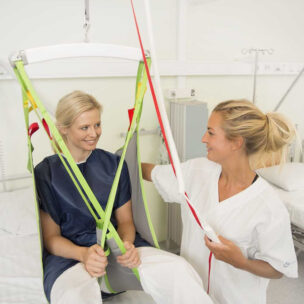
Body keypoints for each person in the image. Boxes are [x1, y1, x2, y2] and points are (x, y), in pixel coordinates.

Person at [34, 90, 213, 304]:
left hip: (116, 245)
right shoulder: (47, 173)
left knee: (179, 270)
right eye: (84, 127)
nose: (94, 133)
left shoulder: (114, 165)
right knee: (73, 297)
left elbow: (126, 221)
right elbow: (51, 239)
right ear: (64, 129)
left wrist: (127, 245)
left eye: (97, 125)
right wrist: (83, 255)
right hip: (71, 256)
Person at [142, 99, 298, 304]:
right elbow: (152, 172)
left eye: (211, 132)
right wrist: (109, 162)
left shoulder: (269, 208)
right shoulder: (197, 171)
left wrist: (241, 262)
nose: (203, 138)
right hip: (191, 295)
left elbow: (278, 269)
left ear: (236, 142)